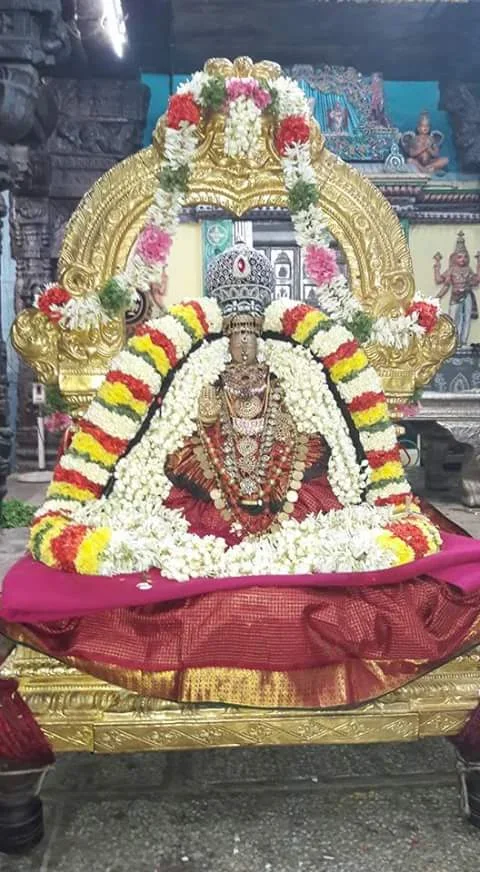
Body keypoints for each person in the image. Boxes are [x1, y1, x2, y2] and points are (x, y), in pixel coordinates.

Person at [3, 244, 480, 710]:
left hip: (296, 511)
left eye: (252, 333)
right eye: (236, 333)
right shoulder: (196, 378)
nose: (244, 343)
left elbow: (317, 447)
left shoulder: (294, 378)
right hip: (202, 516)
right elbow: (174, 450)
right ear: (222, 333)